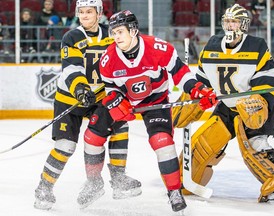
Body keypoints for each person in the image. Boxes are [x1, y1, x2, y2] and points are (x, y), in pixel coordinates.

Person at [90, 10, 217, 212]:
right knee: (92, 136)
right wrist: (115, 101)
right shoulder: (108, 59)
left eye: (120, 32)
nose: (116, 37)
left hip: (154, 101)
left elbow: (180, 74)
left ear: (133, 30)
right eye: (113, 33)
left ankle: (174, 191)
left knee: (162, 142)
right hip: (126, 100)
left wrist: (197, 89)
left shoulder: (158, 48)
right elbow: (111, 88)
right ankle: (93, 183)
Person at [34, 0, 141, 211]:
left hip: (99, 97)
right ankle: (44, 187)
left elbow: (123, 63)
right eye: (81, 12)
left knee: (120, 123)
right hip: (70, 97)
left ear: (99, 13)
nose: (84, 15)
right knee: (65, 146)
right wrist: (81, 89)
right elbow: (71, 69)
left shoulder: (112, 36)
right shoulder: (71, 37)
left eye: (89, 11)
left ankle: (115, 179)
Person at [180, 3, 274, 202]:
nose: (230, 26)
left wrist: (257, 102)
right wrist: (194, 97)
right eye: (228, 21)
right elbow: (202, 84)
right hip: (227, 107)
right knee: (201, 146)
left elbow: (269, 82)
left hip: (255, 106)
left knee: (255, 145)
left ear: (244, 25)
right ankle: (189, 181)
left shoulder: (256, 46)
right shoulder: (212, 45)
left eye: (235, 21)